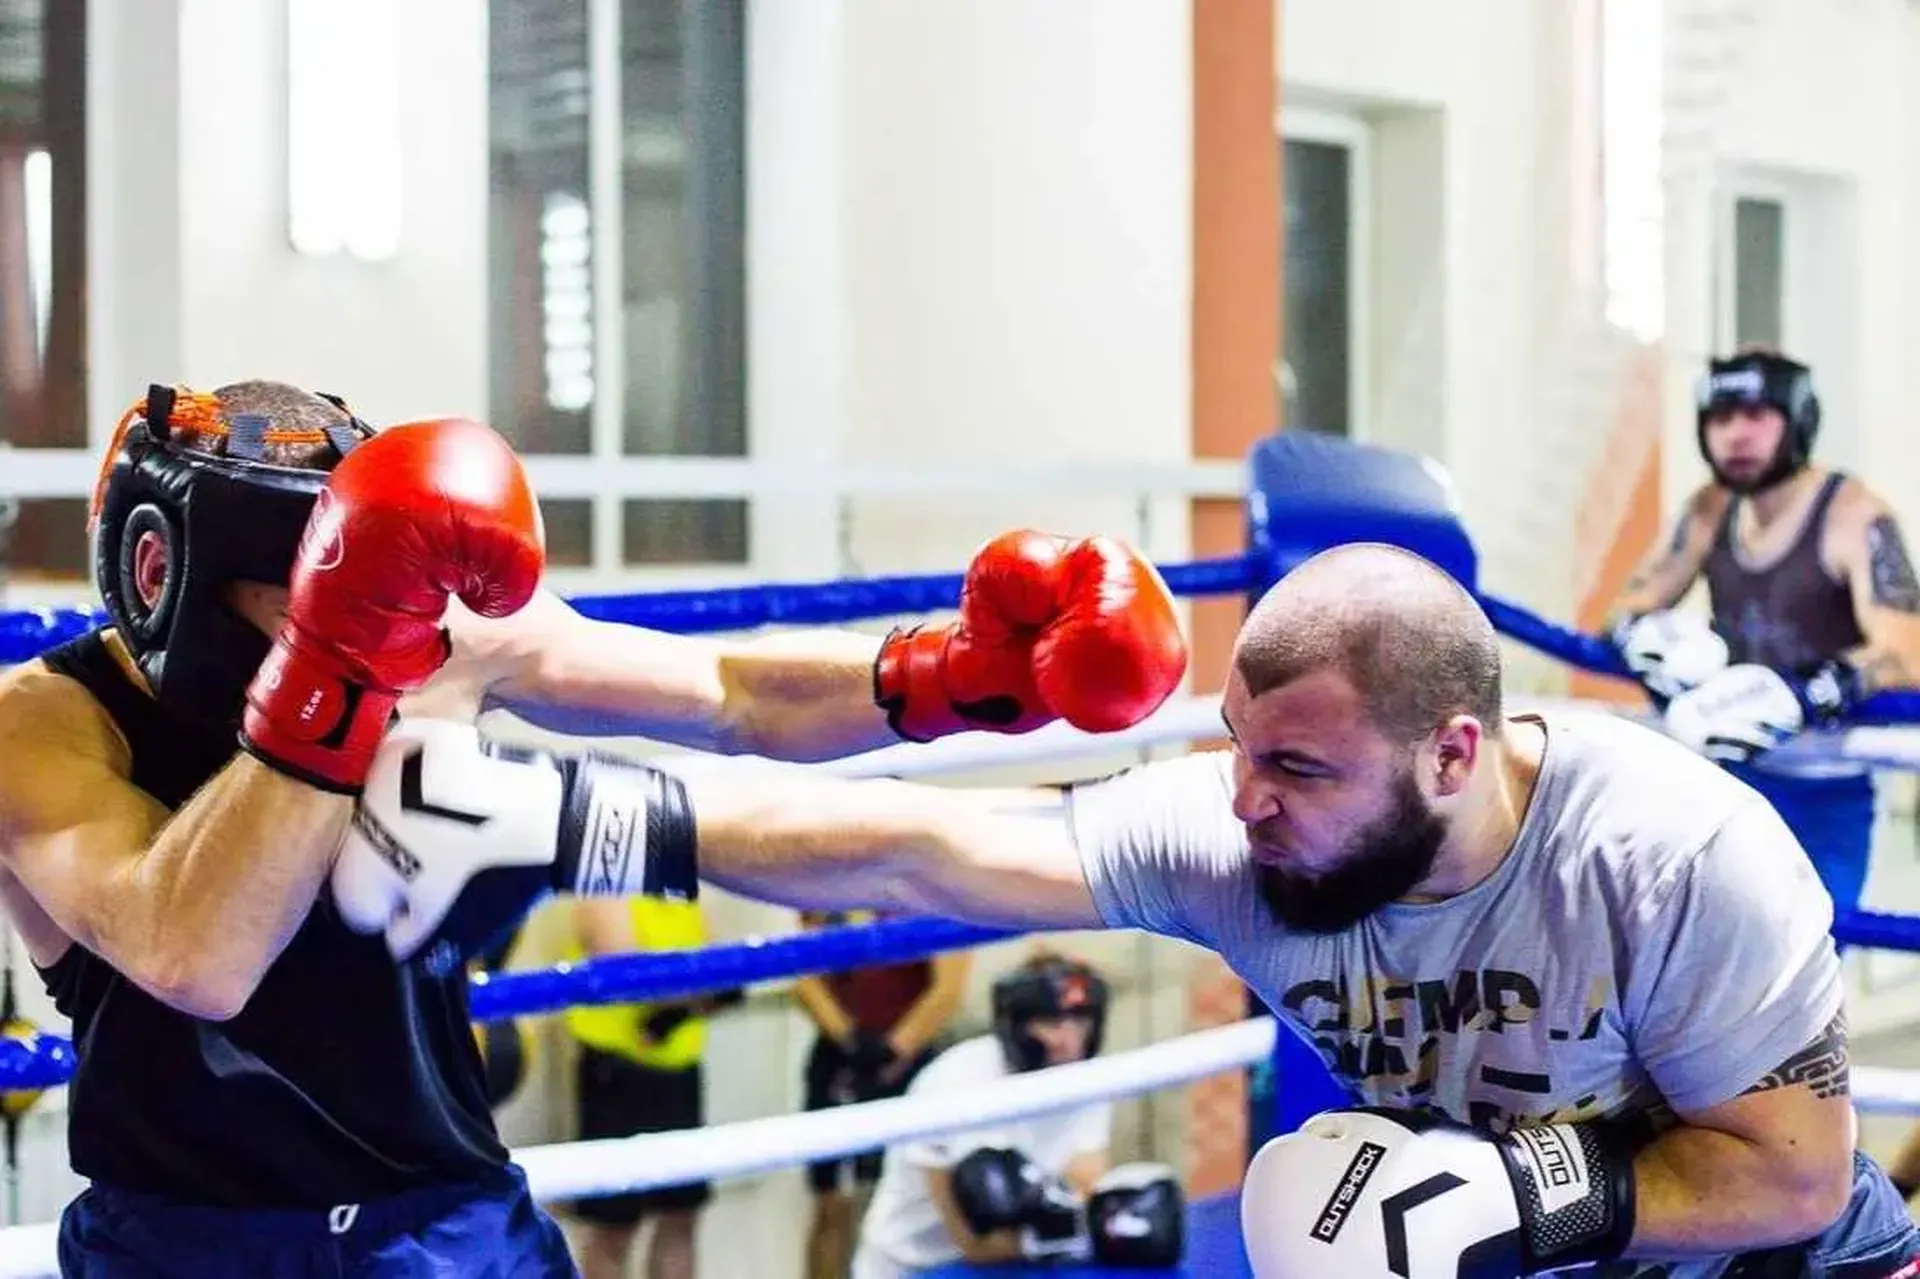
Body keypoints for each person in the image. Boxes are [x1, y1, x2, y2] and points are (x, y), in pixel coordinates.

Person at [362, 541, 1920, 1278]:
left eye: (1298, 765)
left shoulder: (1671, 856)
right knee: (1319, 1225)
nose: (1247, 799)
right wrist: (569, 817)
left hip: (1804, 1270)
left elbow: (1792, 1176)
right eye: (1242, 751)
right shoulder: (1246, 828)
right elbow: (926, 854)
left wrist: (1508, 1192)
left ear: (1454, 752)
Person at [0, 379, 1188, 1277]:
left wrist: (946, 676)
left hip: (440, 1218)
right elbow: (191, 953)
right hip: (185, 1243)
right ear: (166, 575)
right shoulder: (45, 728)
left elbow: (725, 690)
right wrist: (335, 662)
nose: (344, 620)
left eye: (340, 579)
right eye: (292, 597)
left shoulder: (428, 632)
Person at [1607, 347, 1920, 918]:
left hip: (1826, 784)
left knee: (1806, 961)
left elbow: (1903, 654)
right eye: (1722, 419)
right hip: (1731, 774)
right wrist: (1651, 642)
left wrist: (1802, 693)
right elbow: (1630, 607)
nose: (1737, 436)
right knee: (1703, 963)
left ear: (1797, 419)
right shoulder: (1708, 509)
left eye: (1757, 416)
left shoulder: (1854, 515)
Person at [850, 953, 1184, 1278]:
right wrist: (1081, 1230)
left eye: (1080, 1020)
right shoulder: (955, 1081)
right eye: (1052, 1022)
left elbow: (1085, 1188)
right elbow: (974, 1243)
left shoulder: (1086, 1081)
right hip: (910, 1267)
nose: (1069, 1040)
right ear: (1016, 1024)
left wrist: (1082, 1223)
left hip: (1017, 1266)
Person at [563, 895, 739, 1279]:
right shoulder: (605, 886)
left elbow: (723, 971)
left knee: (681, 1215)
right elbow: (631, 973)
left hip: (679, 1068)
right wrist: (701, 992)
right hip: (618, 1072)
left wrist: (682, 1004)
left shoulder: (685, 888)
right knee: (615, 1225)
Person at [795, 910, 970, 1279]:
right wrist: (850, 1041)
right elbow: (803, 974)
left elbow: (948, 988)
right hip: (839, 1060)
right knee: (833, 1202)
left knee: (908, 1199)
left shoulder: (931, 891)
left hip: (911, 1063)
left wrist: (893, 1050)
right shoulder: (830, 886)